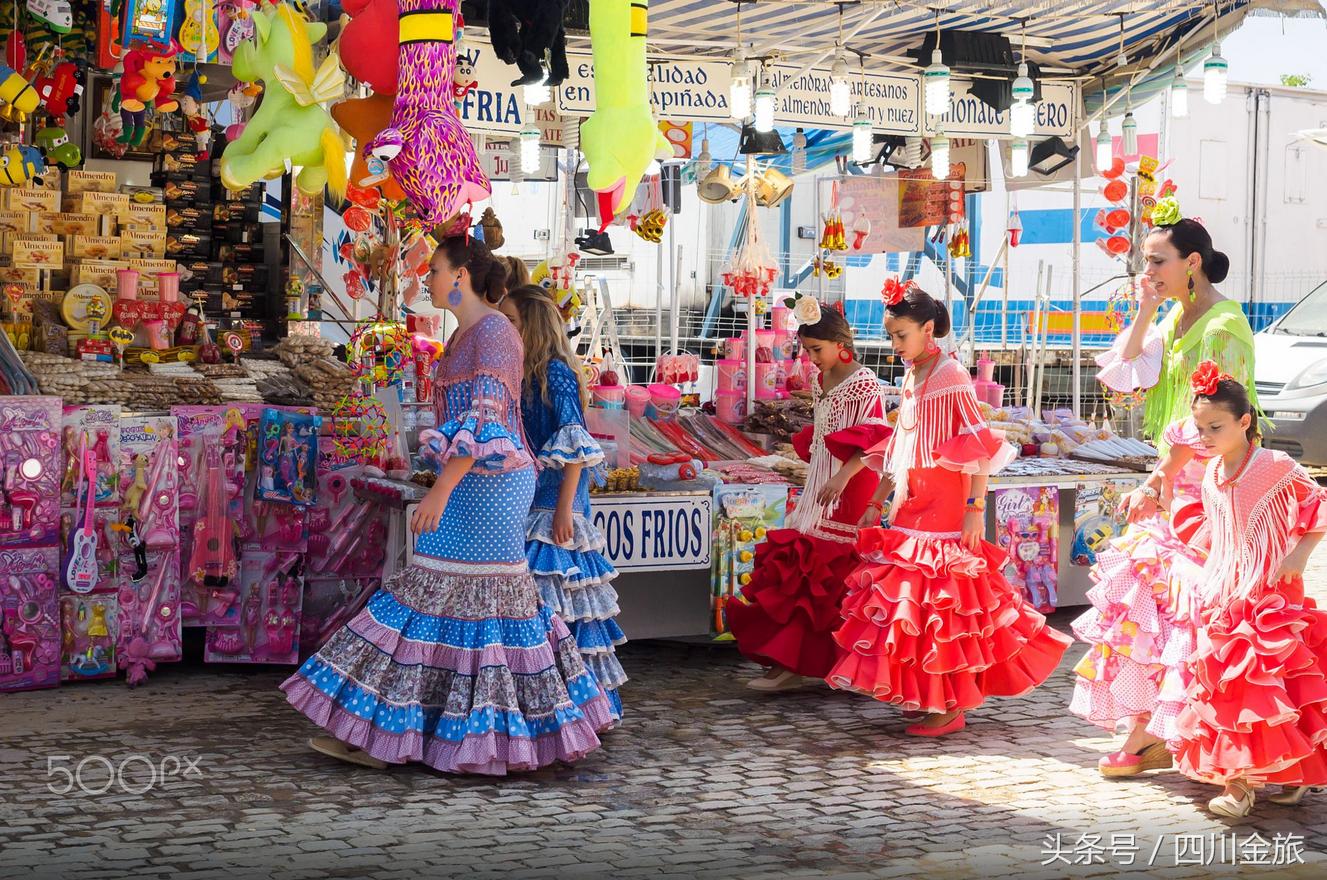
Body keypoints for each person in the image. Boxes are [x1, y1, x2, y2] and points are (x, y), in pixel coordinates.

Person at [282, 236, 612, 775]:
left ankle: (448, 735)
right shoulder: (463, 335)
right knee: (436, 597)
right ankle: (394, 731)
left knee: (473, 600)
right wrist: (442, 481)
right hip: (467, 482)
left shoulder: (496, 334)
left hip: (493, 486)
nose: (426, 279)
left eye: (434, 270)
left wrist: (441, 488)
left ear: (461, 275)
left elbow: (486, 418)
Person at [827, 283, 1071, 736]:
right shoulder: (912, 375)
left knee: (944, 609)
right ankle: (929, 697)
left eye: (901, 335)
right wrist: (877, 500)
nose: (894, 344)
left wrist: (975, 508)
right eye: (890, 335)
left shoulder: (951, 375)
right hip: (912, 501)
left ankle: (949, 706)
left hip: (945, 504)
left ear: (926, 329)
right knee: (911, 608)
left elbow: (979, 446)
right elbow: (901, 445)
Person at [1070, 202, 1261, 775]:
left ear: (1192, 262)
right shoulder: (1173, 317)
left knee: (1196, 609)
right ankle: (1150, 730)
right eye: (1144, 260)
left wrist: (1167, 475)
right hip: (1173, 475)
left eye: (1157, 260)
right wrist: (1148, 304)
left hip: (1207, 485)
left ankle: (1215, 734)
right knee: (1151, 606)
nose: (1146, 268)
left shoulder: (1224, 325)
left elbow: (1221, 417)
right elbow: (1126, 369)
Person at [1171, 365, 1327, 817]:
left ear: (1244, 422)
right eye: (1200, 428)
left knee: (1262, 688)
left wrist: (1299, 554)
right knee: (1241, 689)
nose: (1205, 436)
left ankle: (1240, 789)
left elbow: (1318, 504)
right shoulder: (1212, 472)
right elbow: (1214, 533)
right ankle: (1291, 773)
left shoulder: (1275, 466)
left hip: (1273, 593)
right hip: (1226, 592)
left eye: (1215, 427)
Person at [725, 302, 891, 692]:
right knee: (808, 565)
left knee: (837, 568)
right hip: (821, 478)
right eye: (807, 350)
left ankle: (849, 662)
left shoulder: (864, 382)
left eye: (817, 349)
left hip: (852, 482)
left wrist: (843, 476)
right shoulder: (820, 383)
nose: (812, 358)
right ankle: (794, 660)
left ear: (840, 343)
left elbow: (875, 440)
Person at [500, 285, 628, 723]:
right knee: (539, 605)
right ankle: (543, 702)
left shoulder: (555, 373)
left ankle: (572, 706)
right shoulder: (521, 372)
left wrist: (563, 510)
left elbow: (576, 444)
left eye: (513, 322)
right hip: (531, 500)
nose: (507, 330)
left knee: (559, 604)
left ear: (532, 324)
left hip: (557, 505)